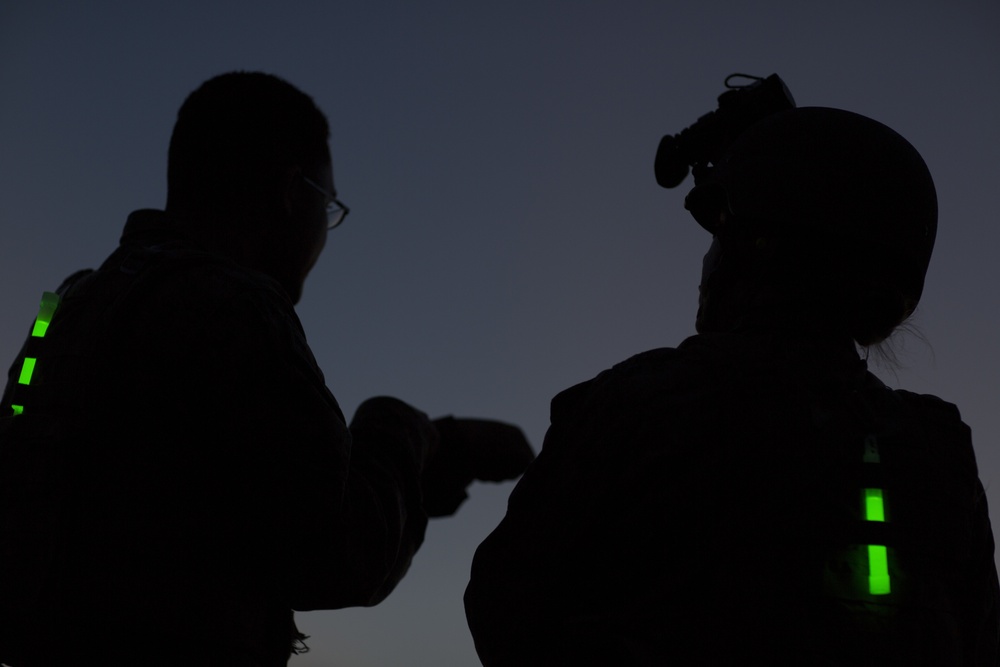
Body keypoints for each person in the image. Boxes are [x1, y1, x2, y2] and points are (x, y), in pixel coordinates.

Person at [0, 71, 533, 666]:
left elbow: (50, 450)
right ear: (290, 190)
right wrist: (407, 430)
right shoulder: (235, 303)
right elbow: (336, 550)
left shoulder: (62, 309)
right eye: (327, 204)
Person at [464, 106, 999, 665]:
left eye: (721, 232)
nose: (707, 258)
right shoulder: (937, 451)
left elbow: (505, 607)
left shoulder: (639, 400)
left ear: (753, 248)